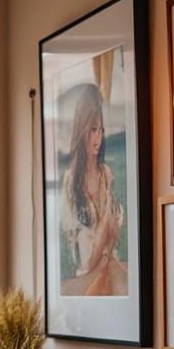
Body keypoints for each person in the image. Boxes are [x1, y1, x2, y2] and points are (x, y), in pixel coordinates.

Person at [59, 82, 127, 297]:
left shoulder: (105, 174)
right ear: (81, 131)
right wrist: (107, 228)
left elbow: (113, 237)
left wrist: (108, 236)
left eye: (100, 130)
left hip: (108, 264)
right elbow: (85, 260)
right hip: (89, 272)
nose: (97, 139)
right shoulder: (70, 181)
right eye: (92, 131)